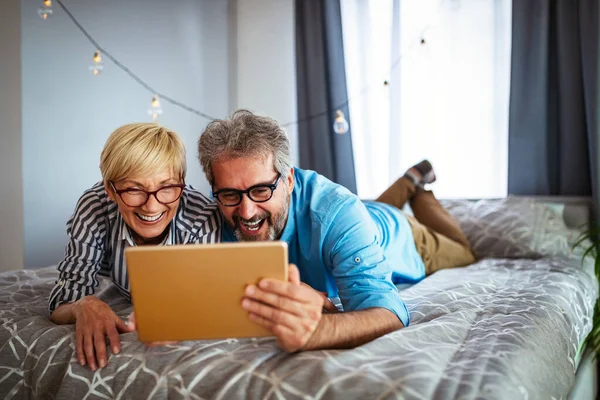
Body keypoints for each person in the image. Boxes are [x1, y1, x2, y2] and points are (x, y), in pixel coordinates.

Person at [197, 110, 475, 352]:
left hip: (404, 235)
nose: (246, 212)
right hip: (360, 216)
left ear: (289, 180)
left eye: (261, 190)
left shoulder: (337, 212)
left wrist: (317, 331)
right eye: (230, 195)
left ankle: (418, 190)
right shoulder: (209, 219)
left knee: (463, 251)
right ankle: (409, 180)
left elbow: (390, 313)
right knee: (361, 211)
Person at [49, 123, 221, 371]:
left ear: (181, 182)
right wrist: (82, 305)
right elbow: (60, 305)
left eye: (167, 187)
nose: (151, 207)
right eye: (133, 189)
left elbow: (207, 305)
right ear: (110, 189)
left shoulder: (202, 217)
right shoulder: (94, 207)